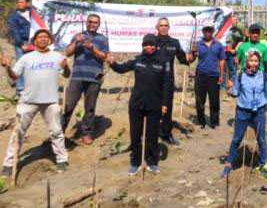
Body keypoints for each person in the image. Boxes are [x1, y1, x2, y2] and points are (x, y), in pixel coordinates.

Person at [1, 28, 70, 175]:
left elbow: (66, 74)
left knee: (56, 131)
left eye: (46, 37)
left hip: (50, 101)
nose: (43, 39)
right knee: (18, 132)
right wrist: (7, 67)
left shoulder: (57, 56)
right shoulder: (26, 58)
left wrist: (66, 66)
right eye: (40, 37)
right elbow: (14, 76)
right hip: (28, 101)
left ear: (50, 40)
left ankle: (62, 160)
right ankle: (8, 164)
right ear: (35, 41)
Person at [107, 34, 170, 175]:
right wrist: (112, 63)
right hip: (136, 104)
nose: (149, 47)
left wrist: (165, 103)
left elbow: (167, 84)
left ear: (156, 46)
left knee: (152, 135)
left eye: (152, 44)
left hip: (154, 104)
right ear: (143, 46)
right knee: (135, 135)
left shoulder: (162, 62)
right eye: (146, 44)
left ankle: (152, 162)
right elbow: (121, 68)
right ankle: (135, 162)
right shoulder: (137, 60)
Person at [222, 50, 267, 179]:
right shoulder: (240, 75)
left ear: (259, 63)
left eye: (256, 61)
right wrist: (229, 88)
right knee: (237, 138)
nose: (254, 63)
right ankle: (229, 164)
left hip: (259, 111)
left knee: (261, 139)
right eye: (251, 60)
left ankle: (263, 164)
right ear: (247, 61)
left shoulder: (263, 75)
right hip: (242, 111)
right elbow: (235, 92)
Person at [62, 13, 109, 145]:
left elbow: (104, 56)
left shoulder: (102, 39)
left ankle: (86, 133)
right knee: (68, 105)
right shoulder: (79, 36)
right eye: (90, 22)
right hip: (77, 76)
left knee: (90, 108)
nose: (92, 24)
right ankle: (59, 132)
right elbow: (68, 52)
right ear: (86, 23)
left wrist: (92, 48)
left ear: (98, 25)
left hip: (94, 77)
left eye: (95, 22)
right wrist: (77, 42)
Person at [153, 17, 192, 146]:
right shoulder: (151, 41)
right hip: (153, 79)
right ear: (157, 27)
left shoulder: (174, 42)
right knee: (152, 106)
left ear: (169, 27)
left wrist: (192, 56)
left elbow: (183, 59)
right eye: (161, 25)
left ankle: (166, 134)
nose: (164, 27)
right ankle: (151, 133)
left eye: (166, 25)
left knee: (167, 108)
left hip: (168, 80)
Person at [192, 25, 226, 129]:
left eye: (209, 31)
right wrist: (192, 52)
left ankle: (214, 122)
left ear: (212, 32)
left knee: (214, 100)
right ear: (203, 32)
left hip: (214, 76)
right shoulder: (198, 44)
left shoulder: (218, 45)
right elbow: (191, 59)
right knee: (199, 100)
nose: (207, 33)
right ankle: (201, 121)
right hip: (200, 75)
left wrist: (221, 75)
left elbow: (222, 60)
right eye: (205, 31)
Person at [7, 0, 34, 95]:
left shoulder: (33, 13)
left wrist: (37, 0)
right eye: (18, 2)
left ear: (27, 3)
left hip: (34, 43)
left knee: (33, 64)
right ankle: (20, 88)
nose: (19, 4)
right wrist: (21, 44)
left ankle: (33, 86)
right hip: (21, 43)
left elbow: (42, 9)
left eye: (22, 2)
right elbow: (14, 31)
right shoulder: (14, 16)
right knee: (21, 64)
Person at [223, 18, 245, 88]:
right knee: (224, 69)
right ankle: (223, 86)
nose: (232, 22)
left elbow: (242, 41)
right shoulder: (229, 30)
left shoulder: (239, 31)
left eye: (234, 20)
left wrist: (236, 49)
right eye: (231, 20)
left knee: (233, 70)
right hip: (225, 52)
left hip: (232, 53)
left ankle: (234, 86)